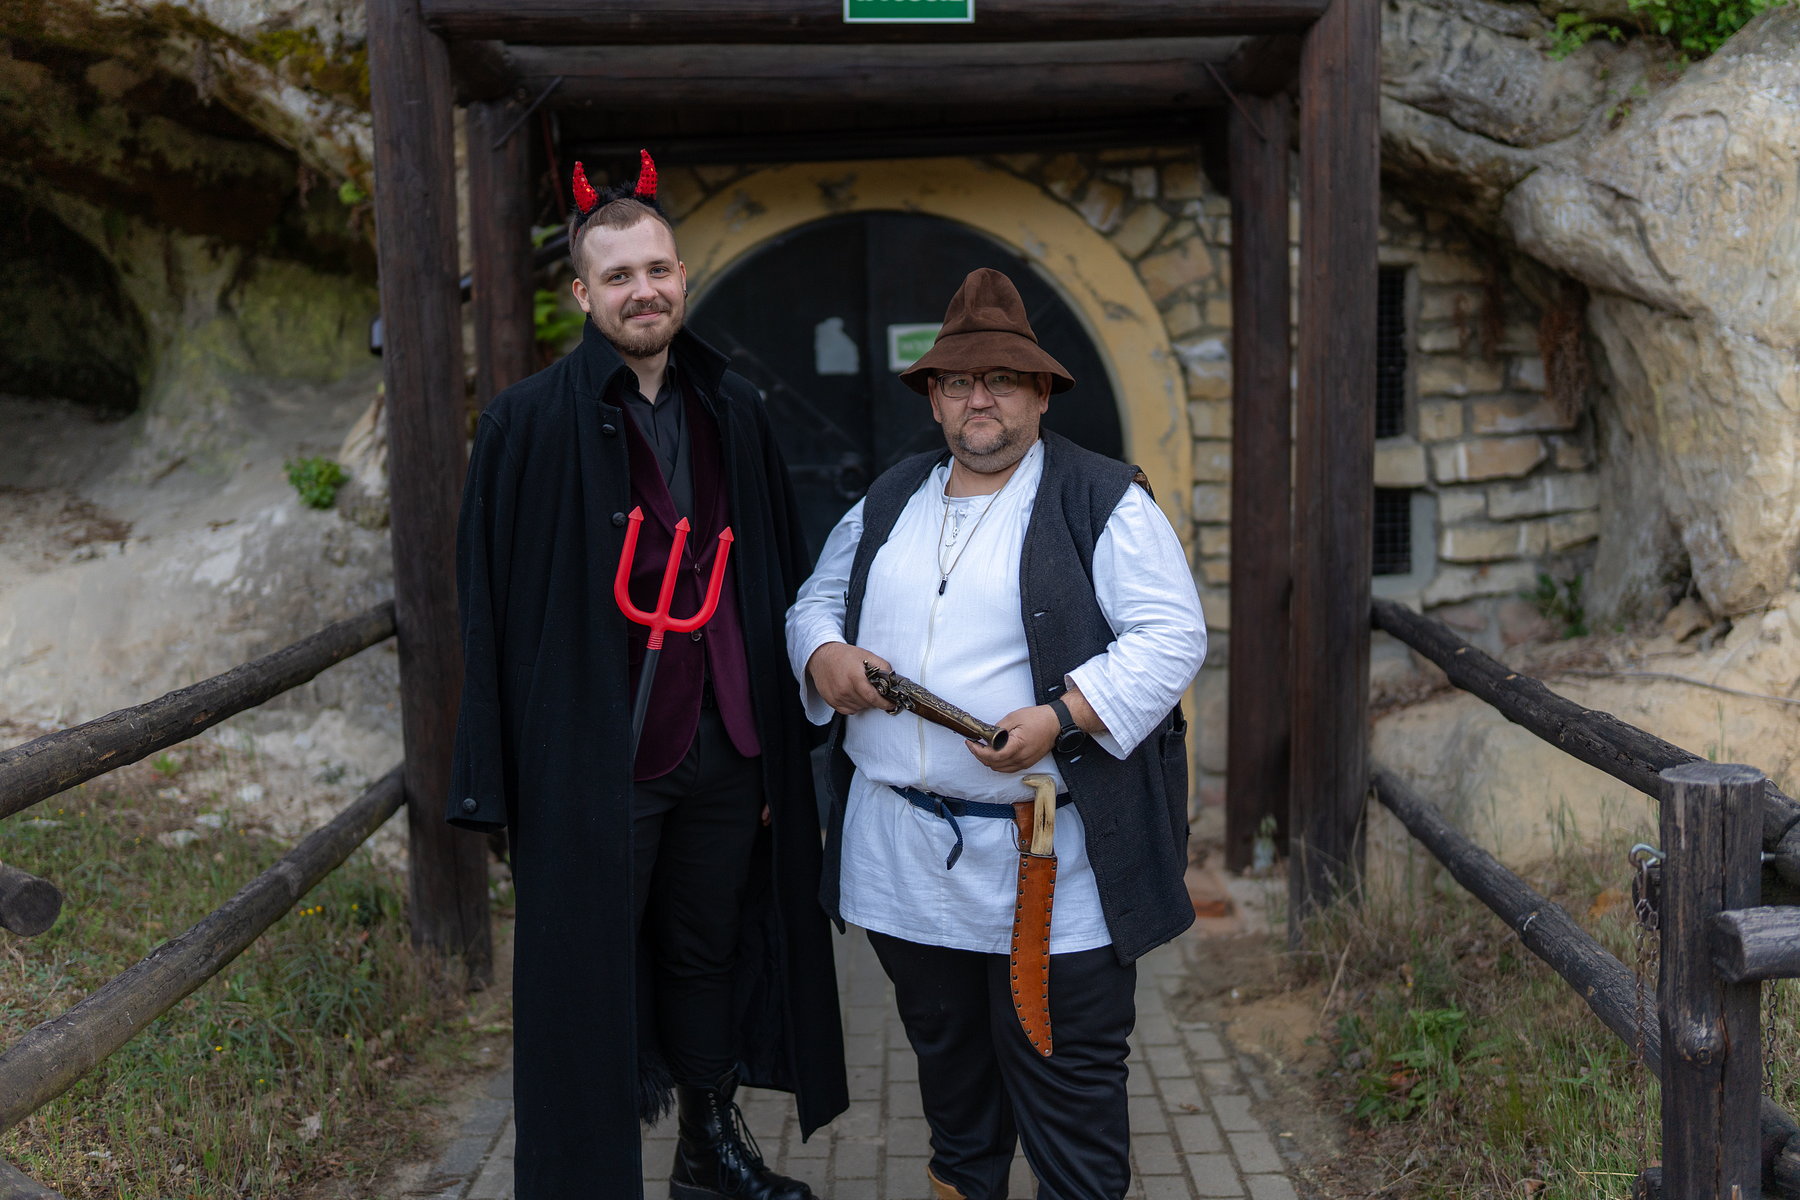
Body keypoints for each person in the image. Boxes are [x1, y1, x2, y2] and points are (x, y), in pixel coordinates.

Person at [449, 152, 846, 1200]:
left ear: (682, 277)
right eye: (618, 276)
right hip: (597, 759)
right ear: (583, 295)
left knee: (705, 951)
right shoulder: (528, 423)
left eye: (658, 270)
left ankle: (707, 1156)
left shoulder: (736, 409)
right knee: (585, 976)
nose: (643, 291)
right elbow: (486, 609)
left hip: (725, 745)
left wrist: (782, 750)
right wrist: (495, 782)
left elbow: (776, 578)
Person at [785, 268, 1206, 1200]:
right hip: (903, 859)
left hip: (1050, 864)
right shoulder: (892, 497)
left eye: (1002, 380)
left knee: (1069, 1098)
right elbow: (816, 598)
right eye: (957, 381)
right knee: (955, 1093)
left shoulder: (1101, 497)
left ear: (1041, 393)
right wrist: (823, 654)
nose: (979, 398)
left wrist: (1064, 716)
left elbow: (1173, 635)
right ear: (934, 398)